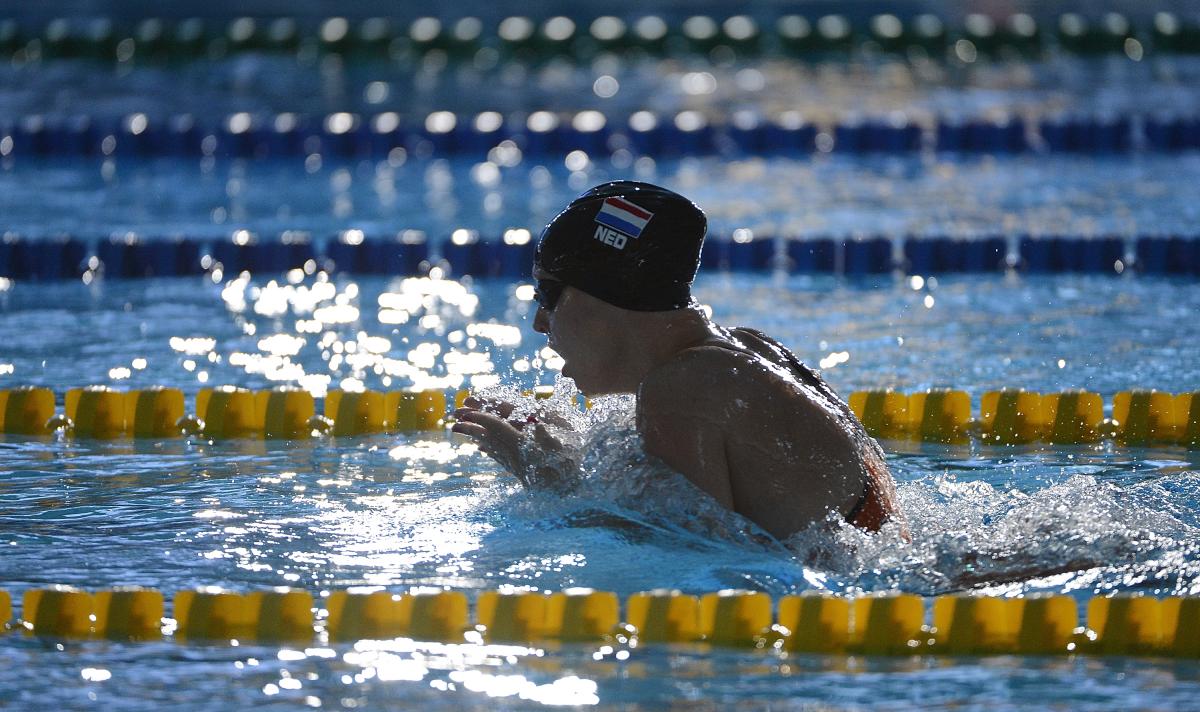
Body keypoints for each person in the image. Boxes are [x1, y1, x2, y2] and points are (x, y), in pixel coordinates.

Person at [452, 181, 907, 541]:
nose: (539, 322)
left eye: (547, 295)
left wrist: (553, 479)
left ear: (602, 297)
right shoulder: (746, 349)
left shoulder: (683, 386)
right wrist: (570, 446)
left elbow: (688, 557)